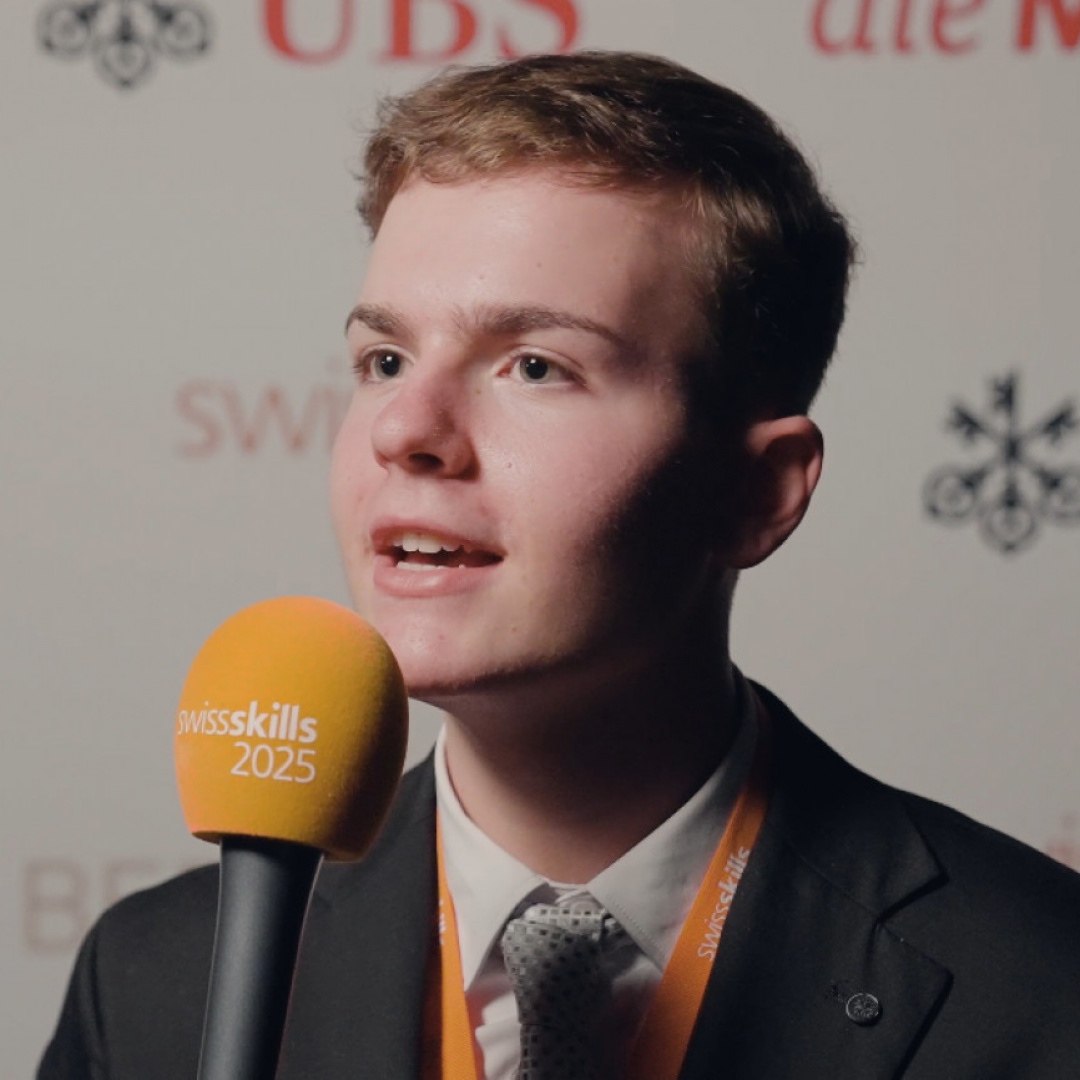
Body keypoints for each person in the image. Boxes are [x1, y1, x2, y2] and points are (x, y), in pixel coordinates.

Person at [39, 51, 1080, 1079]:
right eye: (384, 360)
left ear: (756, 494)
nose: (405, 429)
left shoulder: (1040, 984)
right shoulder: (154, 987)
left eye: (535, 366)